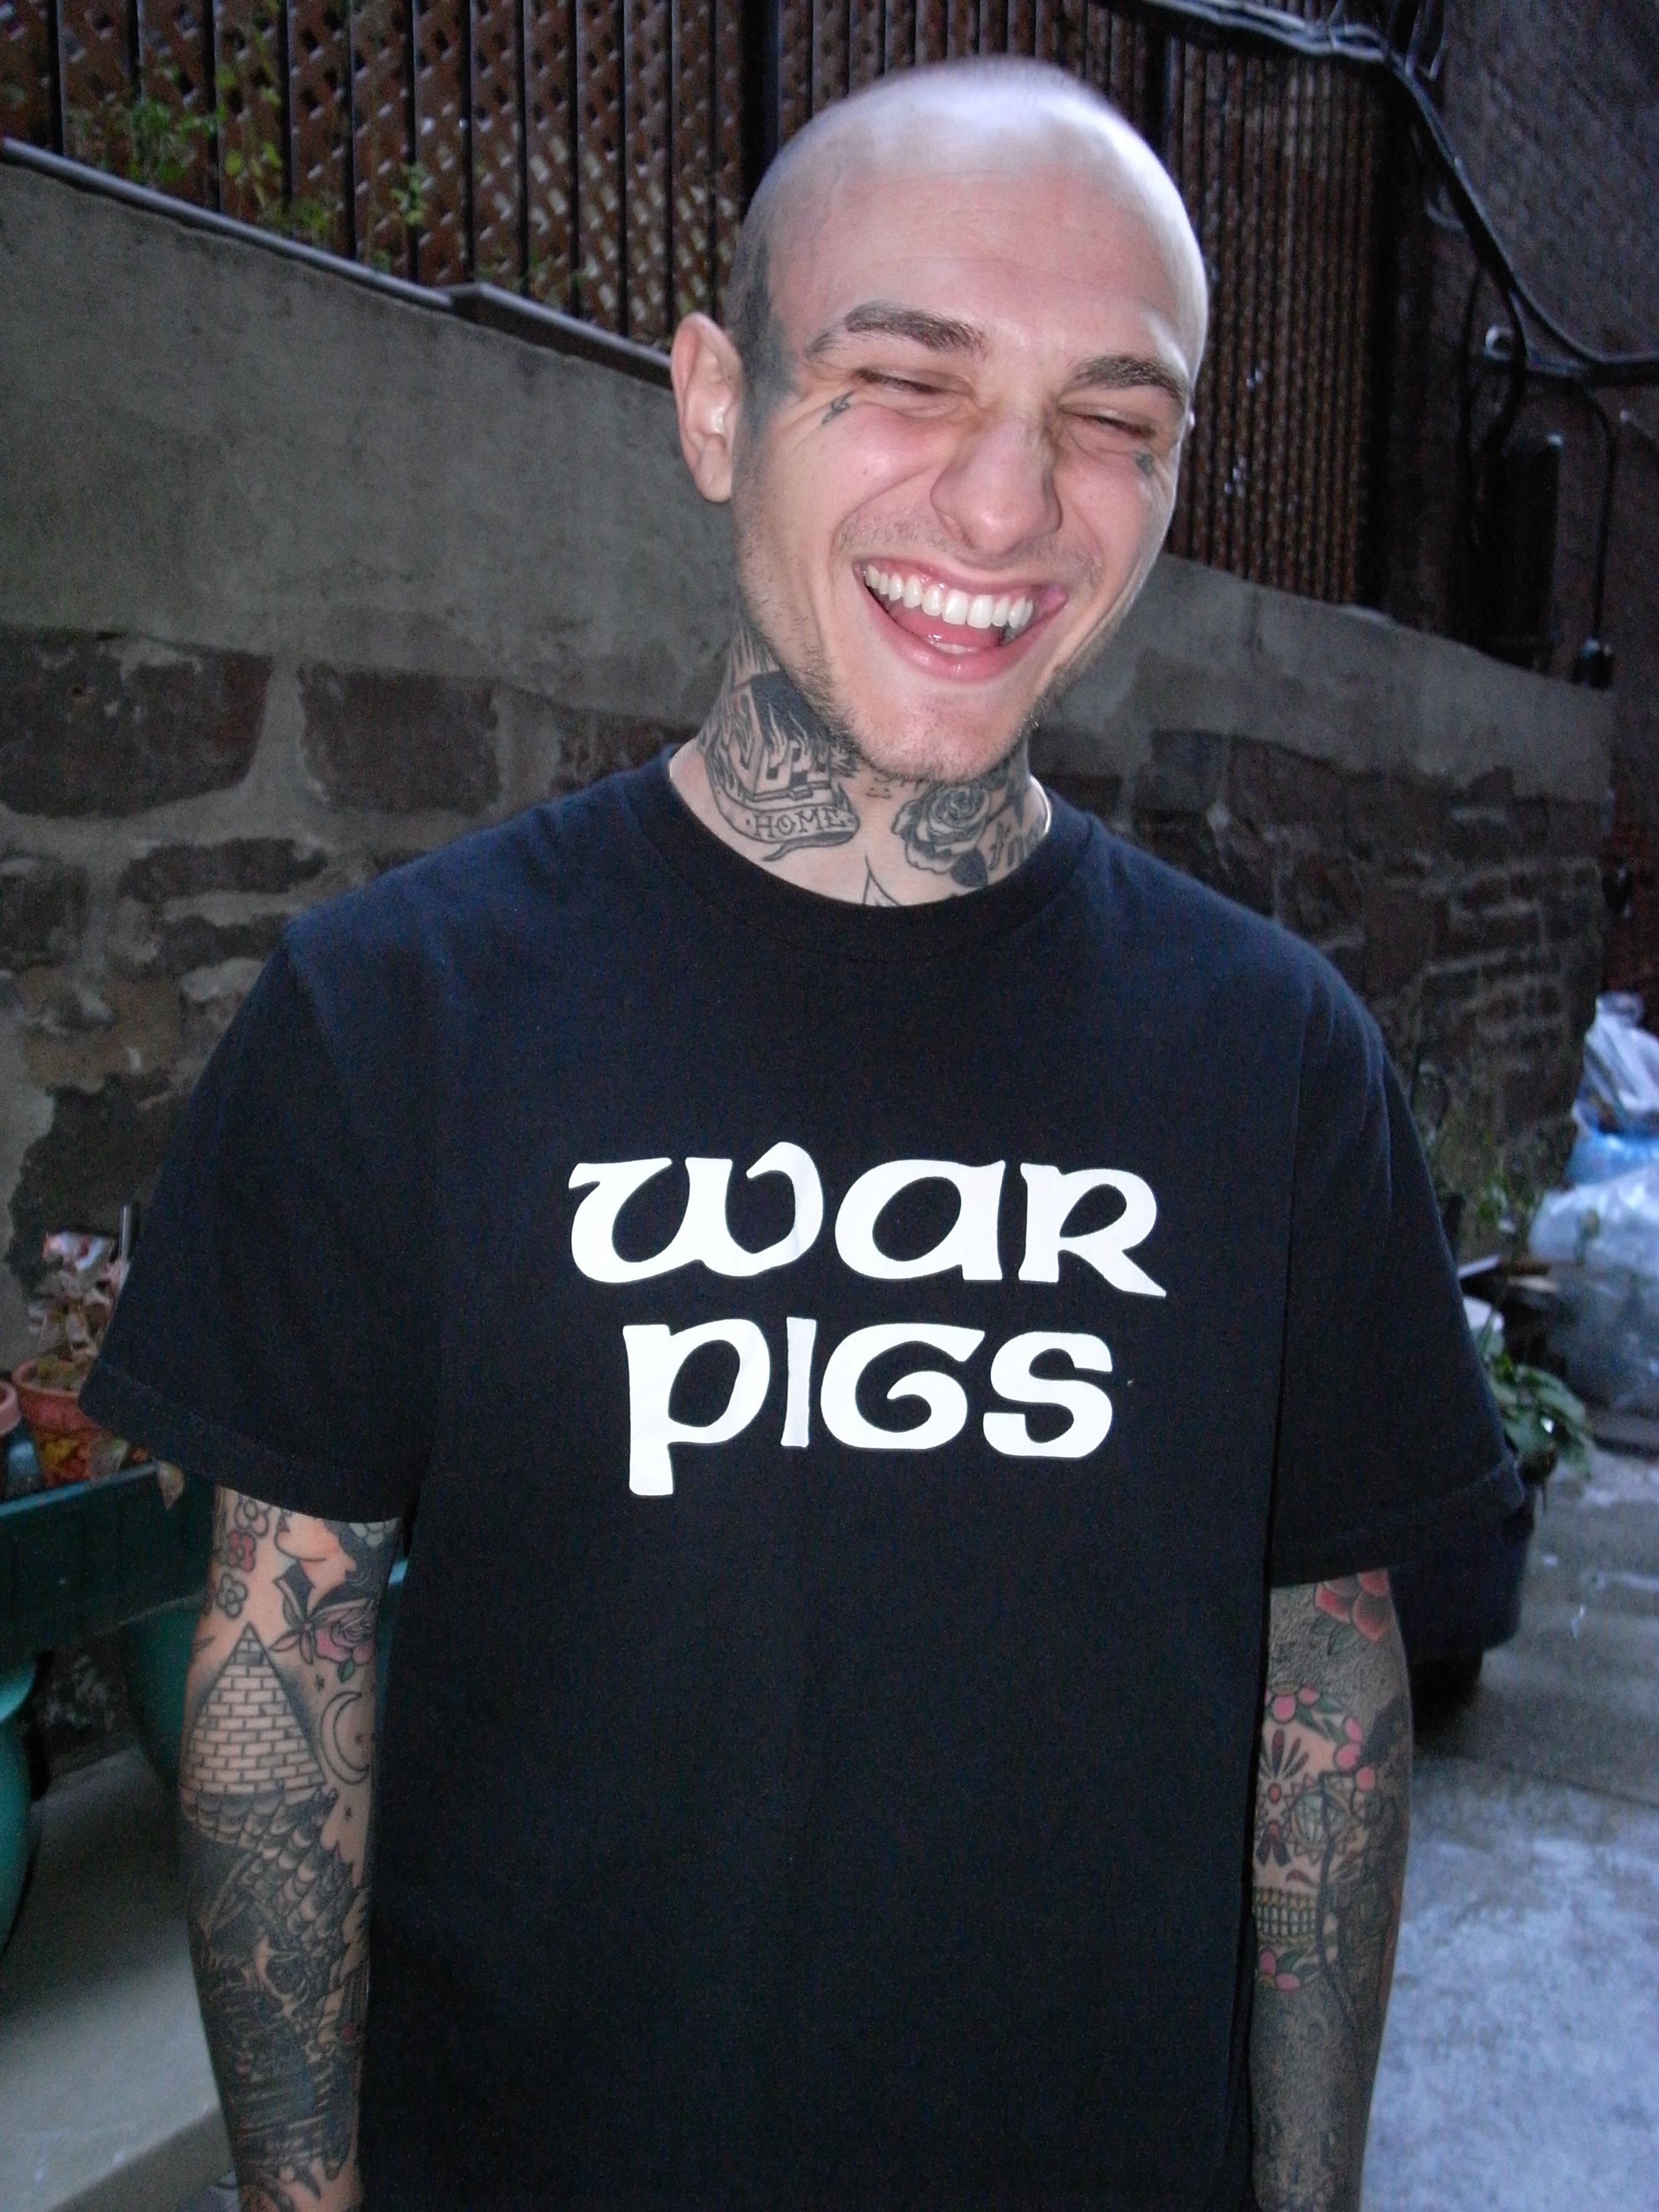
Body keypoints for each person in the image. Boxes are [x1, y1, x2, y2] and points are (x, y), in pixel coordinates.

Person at [85, 57, 1518, 2212]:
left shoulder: (1281, 1065)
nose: (1009, 510)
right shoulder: (398, 1016)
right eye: (906, 382)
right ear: (712, 406)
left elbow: (1329, 1691)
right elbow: (286, 1658)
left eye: (1111, 422)